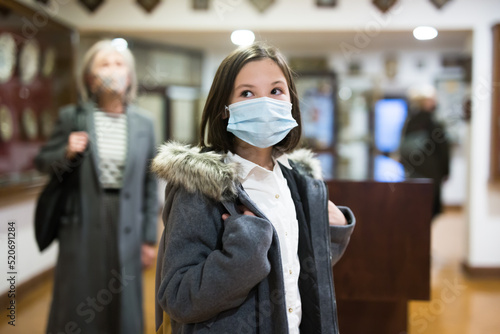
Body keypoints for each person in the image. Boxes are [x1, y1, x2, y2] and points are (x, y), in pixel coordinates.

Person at [152, 43, 355, 334]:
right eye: (247, 93)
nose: (265, 102)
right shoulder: (200, 187)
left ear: (291, 103)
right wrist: (245, 251)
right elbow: (179, 297)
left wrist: (330, 234)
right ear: (225, 108)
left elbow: (291, 270)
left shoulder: (295, 180)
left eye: (276, 91)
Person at [34, 39, 158, 334]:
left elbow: (149, 182)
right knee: (79, 297)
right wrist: (65, 152)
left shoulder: (145, 123)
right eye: (104, 64)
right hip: (82, 221)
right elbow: (42, 162)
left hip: (127, 220)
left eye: (119, 64)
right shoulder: (72, 118)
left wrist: (149, 238)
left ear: (129, 76)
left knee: (123, 301)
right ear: (89, 78)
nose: (113, 70)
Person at [400, 85, 450, 217]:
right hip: (431, 174)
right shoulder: (434, 123)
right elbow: (443, 151)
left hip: (413, 173)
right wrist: (446, 172)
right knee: (429, 210)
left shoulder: (410, 122)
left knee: (416, 210)